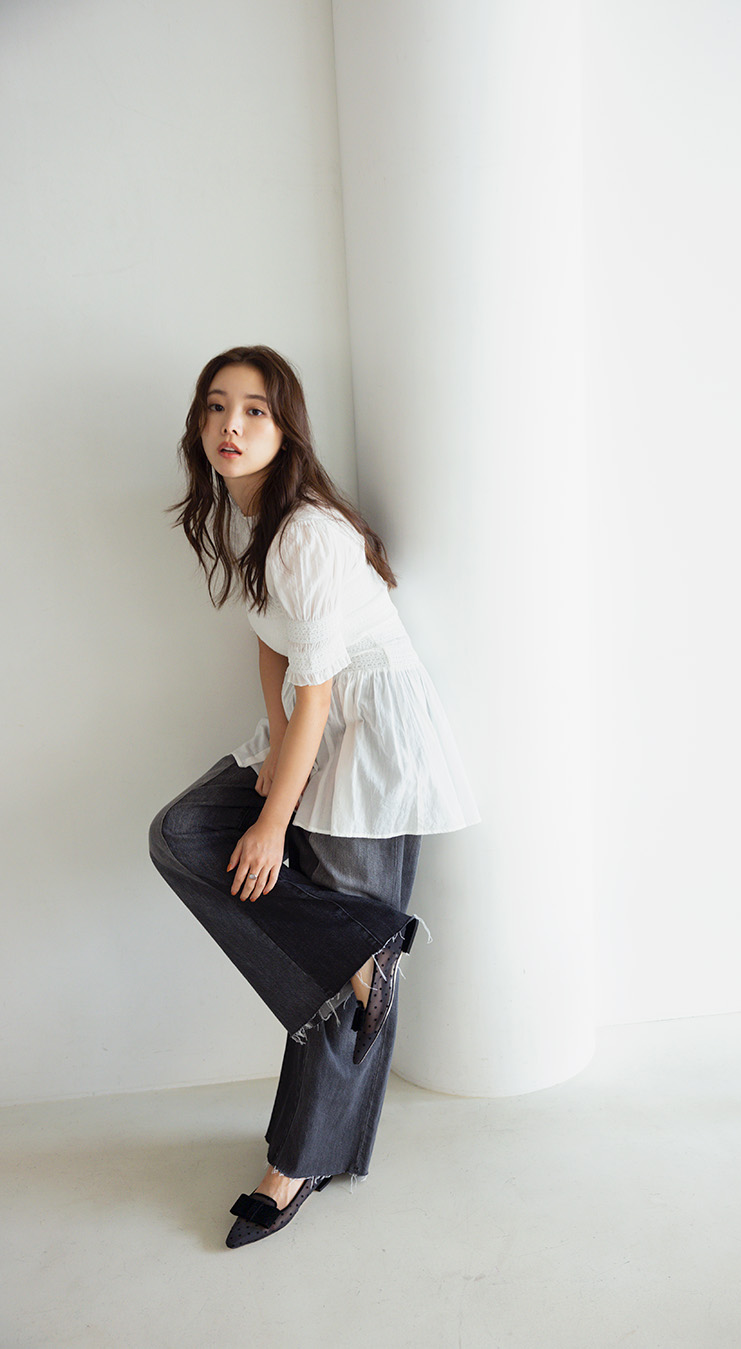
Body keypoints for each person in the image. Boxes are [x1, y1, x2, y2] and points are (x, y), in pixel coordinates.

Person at [149, 345, 478, 1248]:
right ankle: (364, 952)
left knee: (337, 977)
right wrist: (272, 747)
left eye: (254, 410)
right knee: (184, 834)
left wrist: (272, 819)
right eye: (216, 406)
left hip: (367, 736)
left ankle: (295, 1162)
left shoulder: (304, 529)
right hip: (314, 721)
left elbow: (325, 691)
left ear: (285, 427)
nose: (230, 425)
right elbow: (274, 642)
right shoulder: (253, 518)